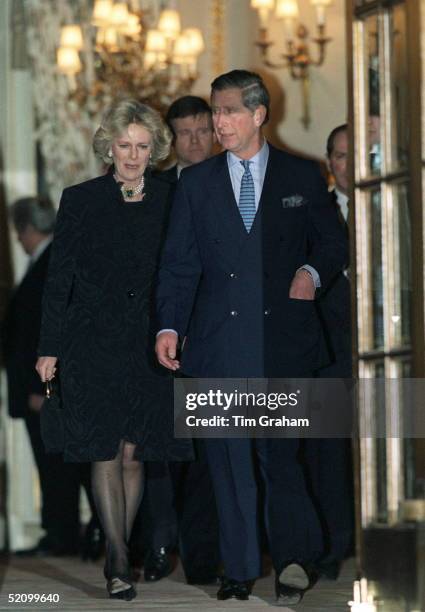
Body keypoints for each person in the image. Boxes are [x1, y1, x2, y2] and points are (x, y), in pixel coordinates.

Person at [155, 70, 348, 605]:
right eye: (215, 111)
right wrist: (169, 326)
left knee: (280, 459)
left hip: (282, 342)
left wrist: (310, 273)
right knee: (226, 463)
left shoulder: (302, 176)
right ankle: (238, 569)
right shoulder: (194, 184)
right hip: (216, 344)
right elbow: (178, 265)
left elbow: (332, 245)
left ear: (259, 114)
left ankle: (291, 561)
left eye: (230, 111)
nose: (218, 122)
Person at [36, 99, 192, 601]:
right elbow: (59, 280)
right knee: (104, 447)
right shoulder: (80, 199)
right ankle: (119, 554)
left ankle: (119, 545)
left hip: (149, 343)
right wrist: (49, 347)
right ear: (110, 146)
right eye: (124, 145)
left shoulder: (172, 198)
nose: (132, 154)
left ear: (155, 150)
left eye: (142, 146)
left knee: (133, 452)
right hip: (91, 342)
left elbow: (182, 271)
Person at [142, 95, 219, 585]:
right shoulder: (154, 192)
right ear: (171, 139)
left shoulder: (238, 182)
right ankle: (158, 543)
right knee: (163, 455)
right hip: (163, 339)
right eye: (183, 133)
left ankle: (205, 555)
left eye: (201, 130)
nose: (194, 142)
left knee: (212, 453)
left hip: (215, 337)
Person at [2, 196, 83, 556]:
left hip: (44, 390)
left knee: (57, 467)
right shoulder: (47, 262)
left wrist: (43, 389)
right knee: (55, 464)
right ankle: (61, 533)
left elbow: (48, 334)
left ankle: (62, 535)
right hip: (41, 388)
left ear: (27, 228)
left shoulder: (49, 265)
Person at [304, 123, 354, 579]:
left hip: (390, 348)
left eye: (359, 153)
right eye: (340, 155)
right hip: (329, 349)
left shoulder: (401, 202)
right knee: (329, 455)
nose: (351, 163)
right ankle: (334, 546)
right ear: (329, 164)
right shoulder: (314, 212)